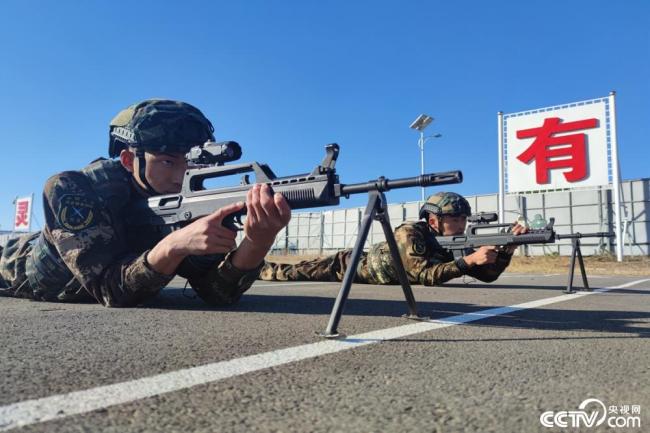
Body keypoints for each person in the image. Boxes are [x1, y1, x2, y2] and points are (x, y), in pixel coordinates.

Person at [0, 99, 291, 306]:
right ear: (128, 160)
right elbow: (110, 290)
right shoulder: (74, 188)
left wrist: (257, 241)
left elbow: (218, 293)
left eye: (191, 163)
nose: (181, 175)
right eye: (167, 161)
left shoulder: (185, 203)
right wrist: (173, 245)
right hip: (11, 270)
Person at [259, 192, 527, 285]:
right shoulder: (410, 232)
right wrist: (469, 260)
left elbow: (488, 276)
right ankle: (259, 268)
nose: (460, 225)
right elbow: (424, 276)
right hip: (351, 266)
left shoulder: (457, 242)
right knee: (293, 273)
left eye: (463, 219)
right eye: (453, 219)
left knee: (297, 271)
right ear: (433, 220)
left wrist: (506, 250)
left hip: (381, 274)